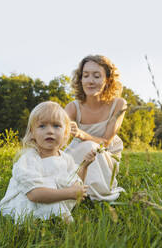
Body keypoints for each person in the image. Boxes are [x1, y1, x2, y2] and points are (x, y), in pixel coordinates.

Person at [0, 101, 96, 223]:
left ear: (65, 133)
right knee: (49, 197)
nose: (50, 131)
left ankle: (54, 221)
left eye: (56, 126)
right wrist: (69, 193)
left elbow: (76, 182)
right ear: (32, 133)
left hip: (54, 199)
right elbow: (34, 194)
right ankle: (42, 221)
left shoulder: (66, 158)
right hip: (28, 202)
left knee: (57, 206)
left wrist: (85, 166)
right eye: (42, 126)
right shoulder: (29, 159)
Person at [65, 55, 127, 201]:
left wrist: (81, 134)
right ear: (80, 79)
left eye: (97, 76)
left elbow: (105, 142)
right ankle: (74, 188)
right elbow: (55, 130)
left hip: (105, 153)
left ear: (108, 80)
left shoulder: (118, 105)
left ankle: (91, 193)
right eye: (85, 76)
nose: (90, 81)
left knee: (91, 147)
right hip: (78, 150)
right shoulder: (73, 107)